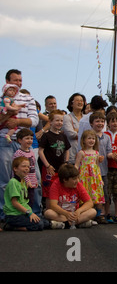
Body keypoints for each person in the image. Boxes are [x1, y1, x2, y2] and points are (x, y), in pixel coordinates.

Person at [0, 69, 38, 221]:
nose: (19, 83)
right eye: (15, 80)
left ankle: (35, 212)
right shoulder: (1, 99)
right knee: (5, 180)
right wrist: (7, 115)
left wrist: (17, 122)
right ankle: (5, 214)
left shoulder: (28, 98)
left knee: (34, 178)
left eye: (20, 80)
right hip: (5, 141)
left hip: (25, 143)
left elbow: (34, 120)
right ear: (7, 82)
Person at [44, 164, 97, 229]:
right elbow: (53, 205)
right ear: (65, 180)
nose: (77, 181)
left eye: (77, 178)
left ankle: (65, 224)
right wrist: (66, 213)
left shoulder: (78, 185)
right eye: (74, 179)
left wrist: (79, 211)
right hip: (61, 214)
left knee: (93, 211)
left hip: (74, 214)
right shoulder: (55, 185)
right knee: (48, 213)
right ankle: (78, 223)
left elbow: (89, 202)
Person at [38, 109, 71, 209]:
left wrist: (66, 162)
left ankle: (58, 212)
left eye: (61, 121)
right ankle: (49, 213)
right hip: (49, 169)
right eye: (57, 120)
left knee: (60, 190)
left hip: (60, 169)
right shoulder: (46, 136)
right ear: (51, 122)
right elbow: (40, 151)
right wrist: (47, 165)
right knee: (49, 192)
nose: (59, 123)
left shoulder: (63, 136)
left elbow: (67, 150)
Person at [3, 157, 44, 231]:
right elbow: (15, 202)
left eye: (28, 167)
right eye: (24, 166)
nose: (27, 168)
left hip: (22, 213)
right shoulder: (13, 182)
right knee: (39, 224)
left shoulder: (23, 182)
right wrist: (29, 213)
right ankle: (12, 227)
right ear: (15, 169)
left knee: (44, 221)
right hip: (14, 215)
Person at [75, 129, 105, 222]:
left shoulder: (96, 153)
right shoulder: (81, 153)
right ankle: (85, 214)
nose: (91, 140)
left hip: (95, 179)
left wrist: (100, 179)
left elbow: (97, 166)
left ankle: (98, 215)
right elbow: (76, 165)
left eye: (93, 138)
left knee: (96, 196)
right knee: (85, 196)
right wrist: (76, 177)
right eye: (89, 138)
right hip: (84, 178)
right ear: (83, 140)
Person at [89, 111, 113, 223]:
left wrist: (113, 155)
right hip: (91, 171)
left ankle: (103, 214)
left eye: (102, 121)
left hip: (103, 170)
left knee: (103, 193)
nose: (100, 123)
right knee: (92, 193)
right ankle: (92, 213)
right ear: (91, 123)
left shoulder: (107, 137)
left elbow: (109, 152)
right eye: (97, 121)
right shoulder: (89, 136)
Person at [12, 128, 40, 216]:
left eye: (31, 138)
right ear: (20, 140)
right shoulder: (18, 153)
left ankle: (32, 214)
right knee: (23, 200)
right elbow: (20, 170)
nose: (30, 140)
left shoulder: (31, 152)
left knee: (31, 200)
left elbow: (33, 168)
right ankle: (24, 216)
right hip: (23, 182)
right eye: (27, 138)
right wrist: (27, 181)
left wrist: (35, 180)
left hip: (31, 182)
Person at [62, 93, 86, 164]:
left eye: (82, 101)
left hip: (85, 155)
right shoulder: (67, 117)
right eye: (77, 100)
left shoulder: (86, 118)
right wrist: (84, 132)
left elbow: (91, 134)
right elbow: (70, 134)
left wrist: (77, 130)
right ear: (71, 104)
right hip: (72, 154)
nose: (80, 102)